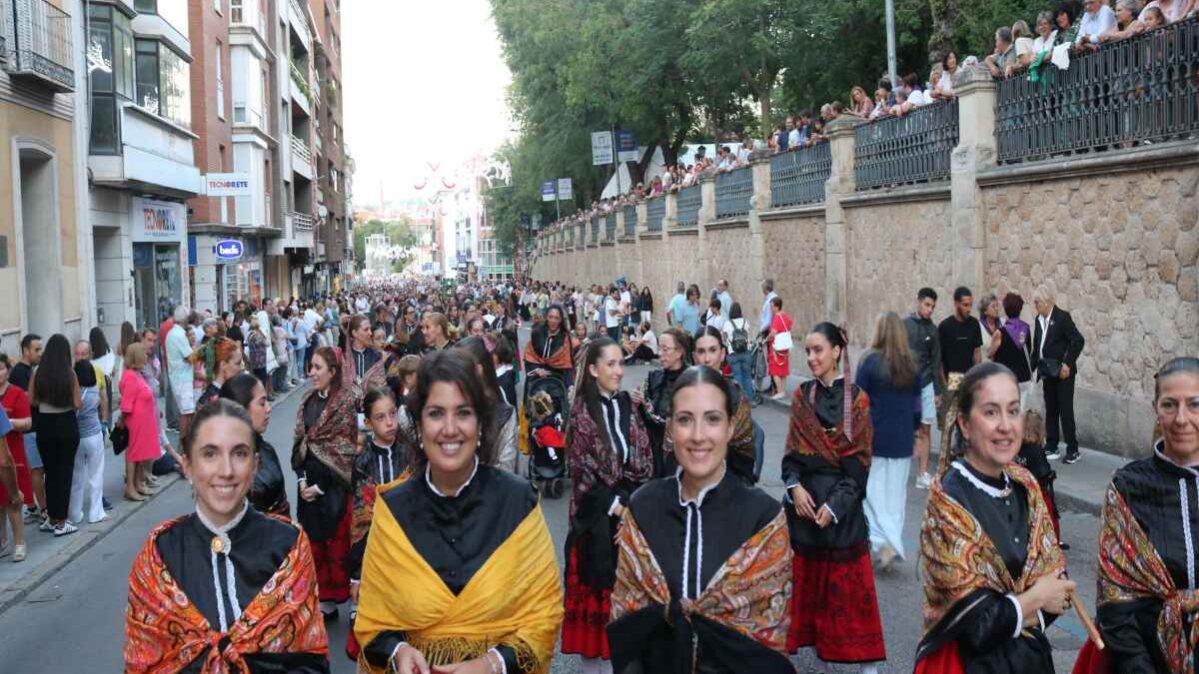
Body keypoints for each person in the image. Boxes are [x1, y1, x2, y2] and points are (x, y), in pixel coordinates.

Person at [354, 350, 563, 674]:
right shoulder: (392, 511)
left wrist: (490, 664)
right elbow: (371, 621)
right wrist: (398, 650)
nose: (450, 429)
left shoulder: (519, 503)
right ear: (418, 425)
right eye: (436, 413)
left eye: (463, 412)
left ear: (480, 423)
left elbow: (544, 615)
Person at [608, 365, 793, 673]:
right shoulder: (644, 507)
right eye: (684, 420)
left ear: (731, 427)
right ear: (669, 428)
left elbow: (767, 644)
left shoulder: (762, 517)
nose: (697, 436)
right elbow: (628, 625)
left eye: (712, 419)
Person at [123, 400, 331, 673]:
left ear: (255, 464)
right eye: (210, 454)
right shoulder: (160, 553)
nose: (226, 470)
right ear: (187, 465)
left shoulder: (287, 544)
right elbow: (143, 663)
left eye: (240, 453)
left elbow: (311, 661)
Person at [914, 363, 1073, 674]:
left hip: (1028, 661)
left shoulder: (1025, 485)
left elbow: (1058, 584)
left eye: (1013, 411)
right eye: (990, 412)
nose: (1006, 426)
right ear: (964, 424)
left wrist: (1029, 610)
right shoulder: (948, 500)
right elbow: (977, 628)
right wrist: (1036, 597)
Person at [1068, 357, 1199, 674]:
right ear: (1156, 408)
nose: (1181, 418)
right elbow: (1116, 604)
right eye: (1170, 404)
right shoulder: (1128, 486)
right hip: (1144, 661)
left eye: (1194, 404)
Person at [782, 323, 886, 671]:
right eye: (808, 351)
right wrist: (794, 487)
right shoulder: (800, 397)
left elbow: (859, 465)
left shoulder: (858, 401)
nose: (811, 357)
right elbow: (790, 457)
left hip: (842, 513)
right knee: (809, 592)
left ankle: (867, 663)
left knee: (851, 599)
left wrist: (835, 506)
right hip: (805, 512)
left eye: (818, 350)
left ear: (836, 352)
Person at [562, 337, 655, 671]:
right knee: (596, 629)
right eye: (611, 364)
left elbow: (644, 461)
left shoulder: (629, 406)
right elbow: (584, 476)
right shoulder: (581, 415)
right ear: (593, 369)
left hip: (630, 522)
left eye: (621, 363)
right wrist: (620, 509)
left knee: (630, 623)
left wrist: (633, 509)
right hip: (596, 525)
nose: (618, 371)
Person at [292, 346, 360, 619]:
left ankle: (353, 600)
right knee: (315, 545)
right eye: (310, 367)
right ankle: (326, 598)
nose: (311, 373)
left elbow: (345, 448)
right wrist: (300, 480)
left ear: (333, 372)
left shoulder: (344, 403)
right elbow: (299, 442)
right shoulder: (307, 400)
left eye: (318, 367)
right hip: (308, 486)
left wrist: (320, 487)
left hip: (333, 488)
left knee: (339, 546)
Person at [857, 312, 921, 571]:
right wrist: (915, 431)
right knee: (896, 496)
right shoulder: (912, 365)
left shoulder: (869, 363)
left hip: (875, 437)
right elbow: (917, 407)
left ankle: (882, 540)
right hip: (903, 438)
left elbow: (859, 401)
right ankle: (890, 542)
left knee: (872, 493)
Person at [349, 388, 411, 610]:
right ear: (368, 421)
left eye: (393, 414)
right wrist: (357, 574)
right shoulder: (362, 462)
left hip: (409, 548)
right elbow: (360, 520)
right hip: (376, 550)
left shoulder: (410, 455)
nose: (389, 422)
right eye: (380, 417)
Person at [691, 326, 759, 485]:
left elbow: (744, 452)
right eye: (701, 352)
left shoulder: (735, 394)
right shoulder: (683, 395)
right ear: (694, 356)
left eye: (712, 350)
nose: (707, 359)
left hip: (730, 481)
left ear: (722, 354)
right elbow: (672, 448)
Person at [29, 334, 82, 536]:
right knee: (65, 473)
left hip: (45, 425)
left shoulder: (37, 372)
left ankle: (51, 518)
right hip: (66, 424)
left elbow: (31, 400)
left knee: (50, 473)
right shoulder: (70, 374)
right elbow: (77, 403)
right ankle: (62, 522)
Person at [219, 372, 289, 518]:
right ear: (241, 410)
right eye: (262, 403)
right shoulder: (229, 470)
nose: (268, 408)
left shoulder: (265, 448)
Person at [1031, 285, 1085, 465]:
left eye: (1037, 302)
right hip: (1047, 371)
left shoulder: (1062, 317)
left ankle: (1073, 449)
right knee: (1051, 409)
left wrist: (1067, 363)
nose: (1035, 305)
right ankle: (1052, 445)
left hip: (1062, 373)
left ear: (1047, 302)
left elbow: (1078, 340)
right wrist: (1030, 368)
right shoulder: (1039, 319)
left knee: (1065, 409)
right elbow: (1036, 347)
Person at [938, 287, 983, 474]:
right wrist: (943, 385)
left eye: (970, 305)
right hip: (950, 381)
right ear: (956, 303)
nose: (968, 308)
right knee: (947, 425)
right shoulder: (945, 327)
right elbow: (939, 359)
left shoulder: (973, 324)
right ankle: (943, 467)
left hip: (969, 380)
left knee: (970, 424)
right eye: (965, 305)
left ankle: (970, 465)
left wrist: (977, 377)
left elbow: (977, 353)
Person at [633, 327, 690, 478]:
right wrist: (639, 402)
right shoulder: (654, 377)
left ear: (679, 352)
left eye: (665, 349)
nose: (660, 354)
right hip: (654, 450)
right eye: (659, 348)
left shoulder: (692, 380)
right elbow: (645, 416)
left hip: (681, 452)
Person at [457, 335, 519, 473]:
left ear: (478, 370)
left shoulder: (503, 410)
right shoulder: (450, 404)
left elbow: (506, 467)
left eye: (459, 369)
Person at [905, 288, 943, 490]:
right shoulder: (905, 326)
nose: (930, 309)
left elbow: (936, 362)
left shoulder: (933, 330)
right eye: (927, 305)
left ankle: (922, 473)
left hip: (927, 384)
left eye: (933, 307)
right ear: (918, 302)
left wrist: (938, 391)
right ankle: (899, 468)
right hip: (907, 385)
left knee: (925, 428)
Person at [120, 344, 164, 503]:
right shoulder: (130, 376)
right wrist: (122, 421)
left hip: (143, 420)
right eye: (144, 354)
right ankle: (130, 487)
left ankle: (137, 484)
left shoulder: (136, 374)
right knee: (133, 455)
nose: (146, 356)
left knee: (139, 455)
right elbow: (126, 404)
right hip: (136, 421)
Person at [0, 354, 31, 562]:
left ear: (8, 371)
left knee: (13, 501)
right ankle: (2, 541)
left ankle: (19, 542)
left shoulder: (16, 393)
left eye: (1, 368)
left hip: (12, 450)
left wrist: (8, 422)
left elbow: (28, 422)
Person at [12, 334, 46, 522]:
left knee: (39, 469)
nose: (40, 353)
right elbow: (24, 396)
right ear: (26, 350)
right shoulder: (19, 372)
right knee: (37, 470)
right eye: (36, 349)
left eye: (41, 349)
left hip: (36, 426)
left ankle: (35, 507)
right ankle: (42, 510)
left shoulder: (32, 369)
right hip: (29, 429)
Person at [68, 360, 107, 525]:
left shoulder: (73, 394)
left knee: (77, 477)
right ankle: (96, 513)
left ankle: (75, 514)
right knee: (96, 474)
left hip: (78, 437)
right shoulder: (94, 391)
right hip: (94, 435)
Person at [994, 293, 1033, 404]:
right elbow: (1028, 350)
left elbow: (993, 354)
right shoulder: (1026, 328)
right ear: (1020, 309)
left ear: (1005, 309)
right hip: (1023, 378)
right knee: (1020, 412)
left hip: (1005, 378)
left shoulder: (1001, 332)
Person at [524, 304, 574, 386]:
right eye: (550, 317)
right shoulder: (537, 332)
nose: (553, 321)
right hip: (536, 379)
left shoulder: (565, 338)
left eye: (556, 318)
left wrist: (570, 386)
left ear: (560, 320)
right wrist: (536, 370)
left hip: (556, 382)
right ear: (546, 317)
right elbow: (530, 356)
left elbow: (567, 363)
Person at [197, 338, 243, 409]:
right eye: (238, 363)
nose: (241, 368)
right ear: (223, 365)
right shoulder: (211, 400)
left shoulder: (227, 391)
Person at [723, 302, 755, 399]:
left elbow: (724, 339)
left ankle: (740, 400)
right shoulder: (746, 322)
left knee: (737, 376)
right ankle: (750, 399)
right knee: (747, 377)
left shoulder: (727, 324)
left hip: (733, 353)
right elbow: (749, 336)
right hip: (746, 352)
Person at [766, 296, 793, 401]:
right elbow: (789, 326)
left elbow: (773, 333)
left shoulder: (777, 317)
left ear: (777, 307)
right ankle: (783, 390)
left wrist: (767, 339)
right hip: (785, 346)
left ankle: (780, 391)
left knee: (775, 370)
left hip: (776, 347)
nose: (771, 309)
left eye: (772, 306)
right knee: (783, 369)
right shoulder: (785, 316)